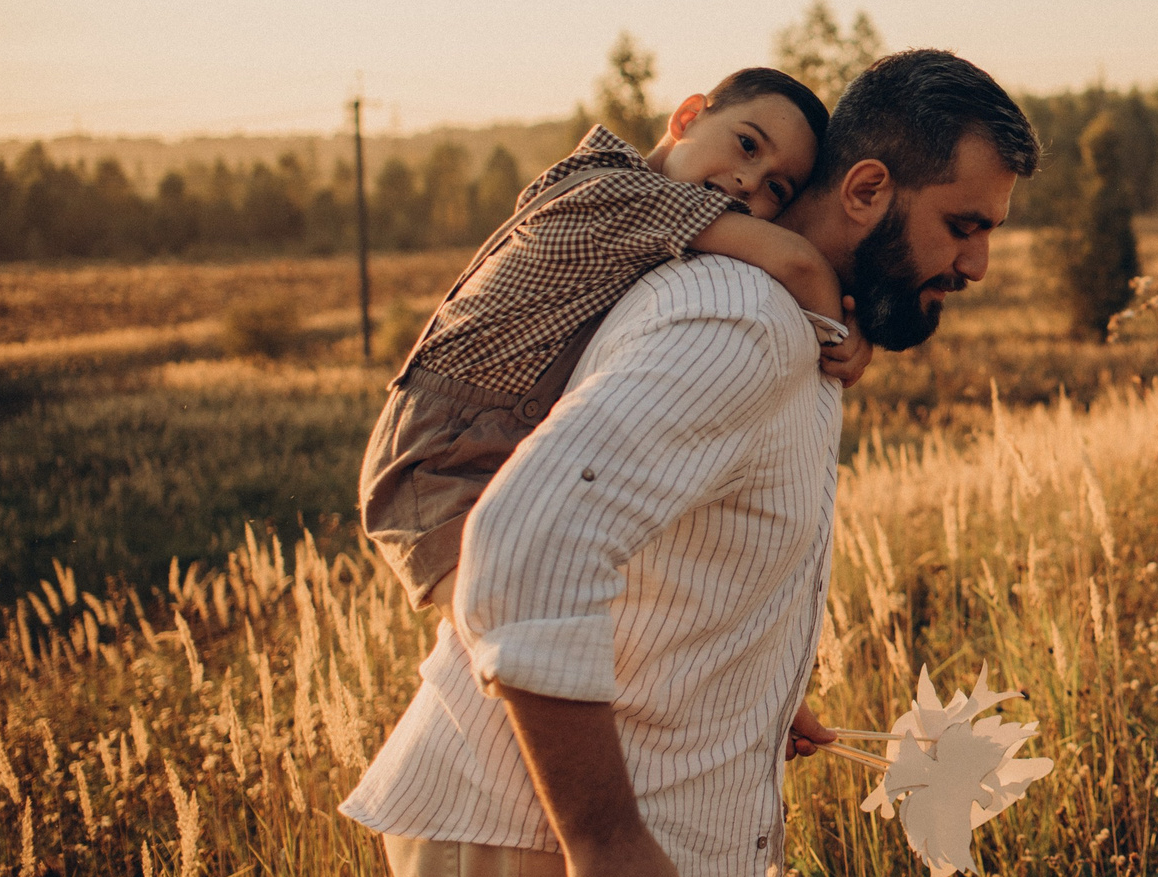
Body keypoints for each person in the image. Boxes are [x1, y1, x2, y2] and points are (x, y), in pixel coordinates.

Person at [341, 49, 1040, 877]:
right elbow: (523, 547)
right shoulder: (740, 323)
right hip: (538, 835)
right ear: (865, 191)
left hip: (572, 827)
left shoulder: (786, 325)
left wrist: (743, 692)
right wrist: (607, 844)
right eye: (964, 224)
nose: (976, 265)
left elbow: (650, 548)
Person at [358, 66, 862, 613]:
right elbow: (797, 261)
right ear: (688, 117)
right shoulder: (620, 193)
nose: (748, 181)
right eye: (747, 145)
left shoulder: (641, 206)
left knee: (541, 626)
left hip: (485, 443)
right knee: (518, 624)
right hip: (442, 458)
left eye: (776, 188)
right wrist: (843, 340)